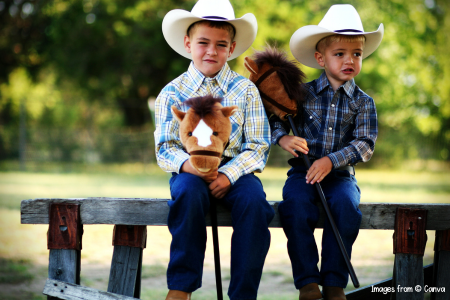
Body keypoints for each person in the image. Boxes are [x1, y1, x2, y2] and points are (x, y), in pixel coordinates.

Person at [154, 0, 274, 299]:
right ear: (188, 43)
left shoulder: (245, 90)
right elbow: (164, 147)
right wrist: (189, 166)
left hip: (236, 171)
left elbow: (258, 145)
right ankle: (181, 287)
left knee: (256, 204)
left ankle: (243, 293)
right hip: (189, 169)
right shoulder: (172, 92)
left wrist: (228, 175)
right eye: (203, 42)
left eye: (221, 45)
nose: (211, 51)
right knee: (187, 193)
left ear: (231, 48)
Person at [269, 5, 384, 300]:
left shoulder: (363, 102)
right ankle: (307, 282)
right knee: (294, 206)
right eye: (340, 54)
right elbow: (274, 122)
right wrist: (283, 140)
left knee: (347, 208)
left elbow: (365, 143)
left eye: (356, 54)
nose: (350, 60)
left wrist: (331, 161)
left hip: (341, 176)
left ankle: (334, 282)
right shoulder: (301, 94)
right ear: (321, 58)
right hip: (302, 172)